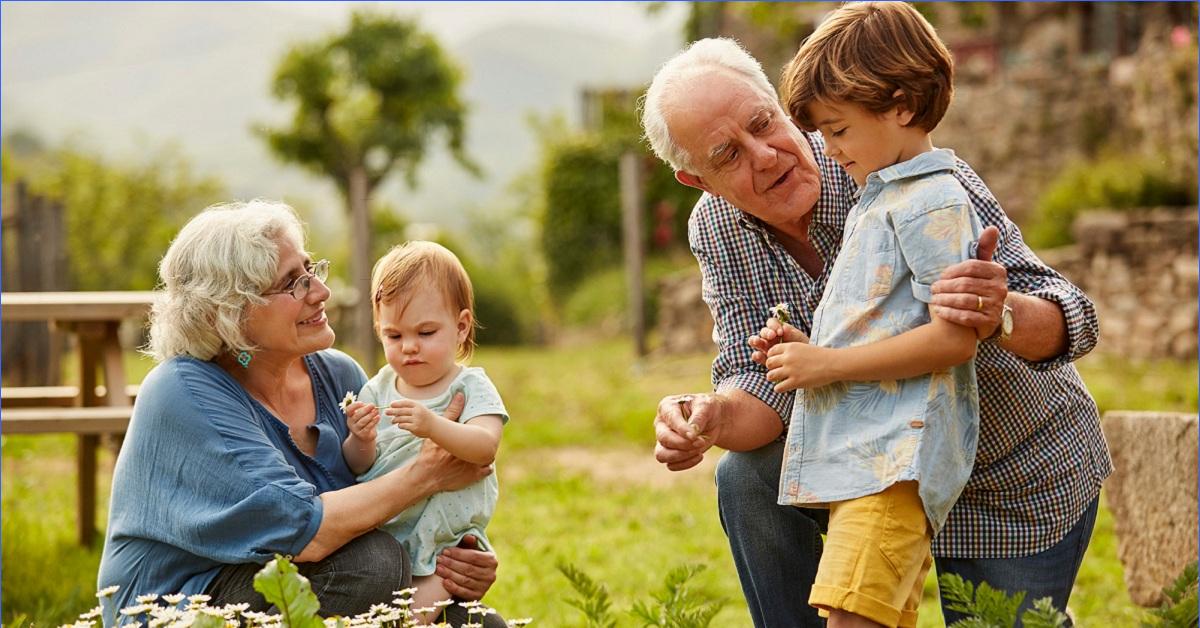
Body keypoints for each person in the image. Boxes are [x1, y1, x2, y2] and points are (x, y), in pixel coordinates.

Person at [641, 34, 1111, 627]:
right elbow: (758, 381)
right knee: (748, 475)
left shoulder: (904, 170)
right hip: (870, 466)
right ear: (698, 181)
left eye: (763, 124)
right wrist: (710, 416)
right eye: (727, 155)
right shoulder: (717, 227)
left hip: (1005, 467)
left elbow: (1074, 317)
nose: (763, 156)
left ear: (781, 105)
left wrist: (999, 312)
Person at [97, 200, 505, 627]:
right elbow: (306, 532)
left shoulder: (338, 373)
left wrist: (456, 557)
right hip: (188, 604)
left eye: (311, 270)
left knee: (478, 622)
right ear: (231, 313)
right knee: (373, 565)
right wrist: (429, 473)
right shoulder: (182, 391)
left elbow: (381, 492)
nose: (320, 292)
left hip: (309, 577)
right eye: (293, 283)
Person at [758, 4, 984, 626]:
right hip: (868, 459)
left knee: (851, 621)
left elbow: (954, 340)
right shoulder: (885, 193)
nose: (828, 151)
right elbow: (891, 321)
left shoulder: (931, 200)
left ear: (902, 105)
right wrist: (805, 349)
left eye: (839, 130)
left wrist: (828, 364)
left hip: (894, 464)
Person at [342, 240, 508, 623]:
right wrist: (361, 439)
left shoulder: (469, 387)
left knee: (407, 618)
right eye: (394, 336)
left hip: (445, 541)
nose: (410, 348)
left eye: (426, 332)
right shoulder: (377, 387)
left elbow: (485, 447)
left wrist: (434, 425)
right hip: (389, 530)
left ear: (461, 327)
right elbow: (356, 465)